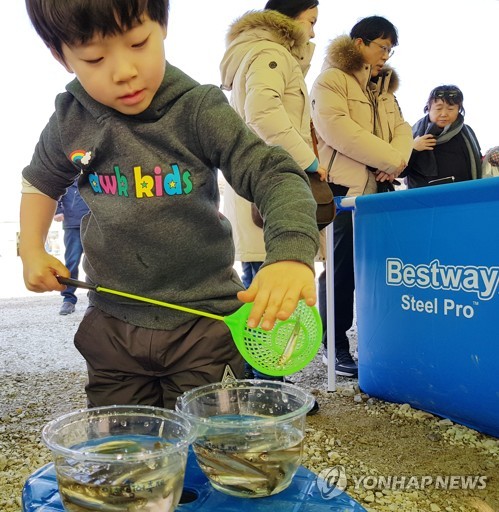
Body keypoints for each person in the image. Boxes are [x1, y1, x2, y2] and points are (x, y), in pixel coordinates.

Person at [19, 0, 320, 410]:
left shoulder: (197, 109)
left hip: (204, 325)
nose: (124, 71)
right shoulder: (70, 119)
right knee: (124, 452)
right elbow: (39, 181)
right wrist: (33, 249)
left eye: (139, 43)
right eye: (94, 57)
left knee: (214, 446)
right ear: (61, 56)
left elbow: (274, 174)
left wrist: (289, 255)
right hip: (112, 325)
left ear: (162, 26)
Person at [219, 0, 326, 389]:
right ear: (291, 19)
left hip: (253, 188)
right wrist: (310, 162)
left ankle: (257, 382)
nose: (313, 32)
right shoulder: (271, 53)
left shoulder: (256, 52)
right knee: (273, 296)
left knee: (258, 288)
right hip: (269, 191)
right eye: (311, 22)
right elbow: (263, 113)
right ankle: (271, 388)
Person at [310, 16, 413, 377]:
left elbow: (403, 129)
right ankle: (333, 345)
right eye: (382, 46)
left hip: (381, 192)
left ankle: (376, 342)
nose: (386, 54)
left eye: (390, 49)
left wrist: (396, 162)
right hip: (343, 191)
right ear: (359, 44)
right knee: (339, 273)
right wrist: (389, 159)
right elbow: (338, 130)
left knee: (379, 271)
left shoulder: (385, 90)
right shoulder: (331, 80)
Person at [402, 85, 482, 188]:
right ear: (428, 108)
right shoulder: (411, 134)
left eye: (450, 109)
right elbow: (398, 172)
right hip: (425, 199)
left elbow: (478, 162)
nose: (444, 114)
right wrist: (413, 149)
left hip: (463, 196)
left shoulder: (467, 133)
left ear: (459, 110)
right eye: (438, 109)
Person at [53, 180, 89, 315]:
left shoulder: (94, 176)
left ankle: (98, 300)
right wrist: (58, 211)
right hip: (72, 225)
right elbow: (56, 194)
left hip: (94, 225)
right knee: (71, 263)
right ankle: (68, 299)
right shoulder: (67, 179)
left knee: (97, 264)